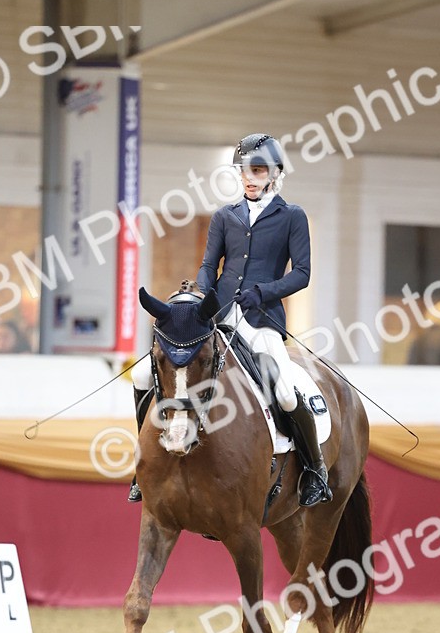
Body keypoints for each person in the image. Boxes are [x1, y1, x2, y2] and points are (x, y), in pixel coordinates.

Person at [128, 133, 331, 508]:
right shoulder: (225, 216)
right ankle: (144, 462)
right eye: (244, 171)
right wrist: (202, 296)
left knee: (286, 392)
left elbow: (302, 274)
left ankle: (314, 468)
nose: (249, 178)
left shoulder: (292, 217)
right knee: (142, 374)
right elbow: (209, 265)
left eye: (257, 170)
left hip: (261, 318)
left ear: (275, 173)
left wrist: (264, 292)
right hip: (217, 315)